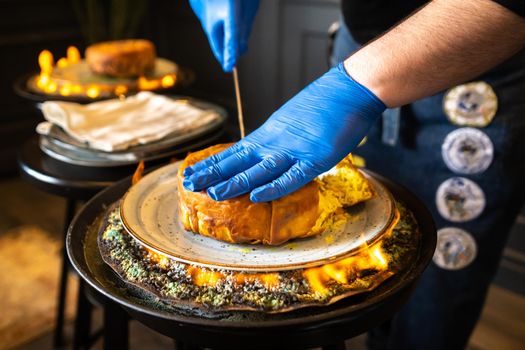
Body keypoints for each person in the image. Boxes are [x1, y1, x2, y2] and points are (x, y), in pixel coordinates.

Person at [186, 0, 525, 349]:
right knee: (365, 271)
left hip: (471, 72)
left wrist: (352, 89)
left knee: (433, 298)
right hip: (356, 53)